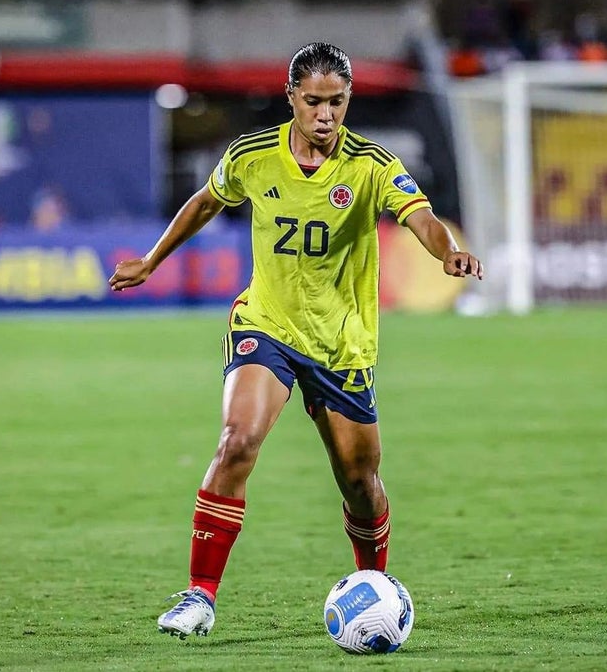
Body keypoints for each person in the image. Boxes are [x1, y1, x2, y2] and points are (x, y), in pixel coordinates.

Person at [109, 42, 483, 640]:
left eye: (337, 102)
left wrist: (449, 251)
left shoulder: (372, 165)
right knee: (237, 440)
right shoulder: (253, 155)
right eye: (313, 102)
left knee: (359, 481)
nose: (325, 115)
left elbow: (421, 217)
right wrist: (152, 260)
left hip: (341, 344)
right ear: (291, 98)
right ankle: (200, 596)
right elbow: (205, 202)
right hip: (268, 325)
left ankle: (375, 584)